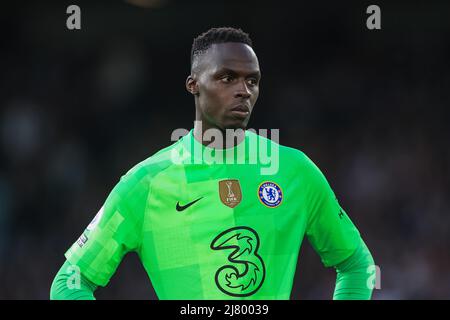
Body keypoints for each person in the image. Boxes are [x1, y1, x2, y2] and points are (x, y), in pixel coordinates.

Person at [50, 27, 375, 300]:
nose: (243, 91)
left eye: (252, 80)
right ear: (193, 84)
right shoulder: (146, 183)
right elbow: (69, 283)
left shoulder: (296, 172)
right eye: (227, 78)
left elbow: (357, 265)